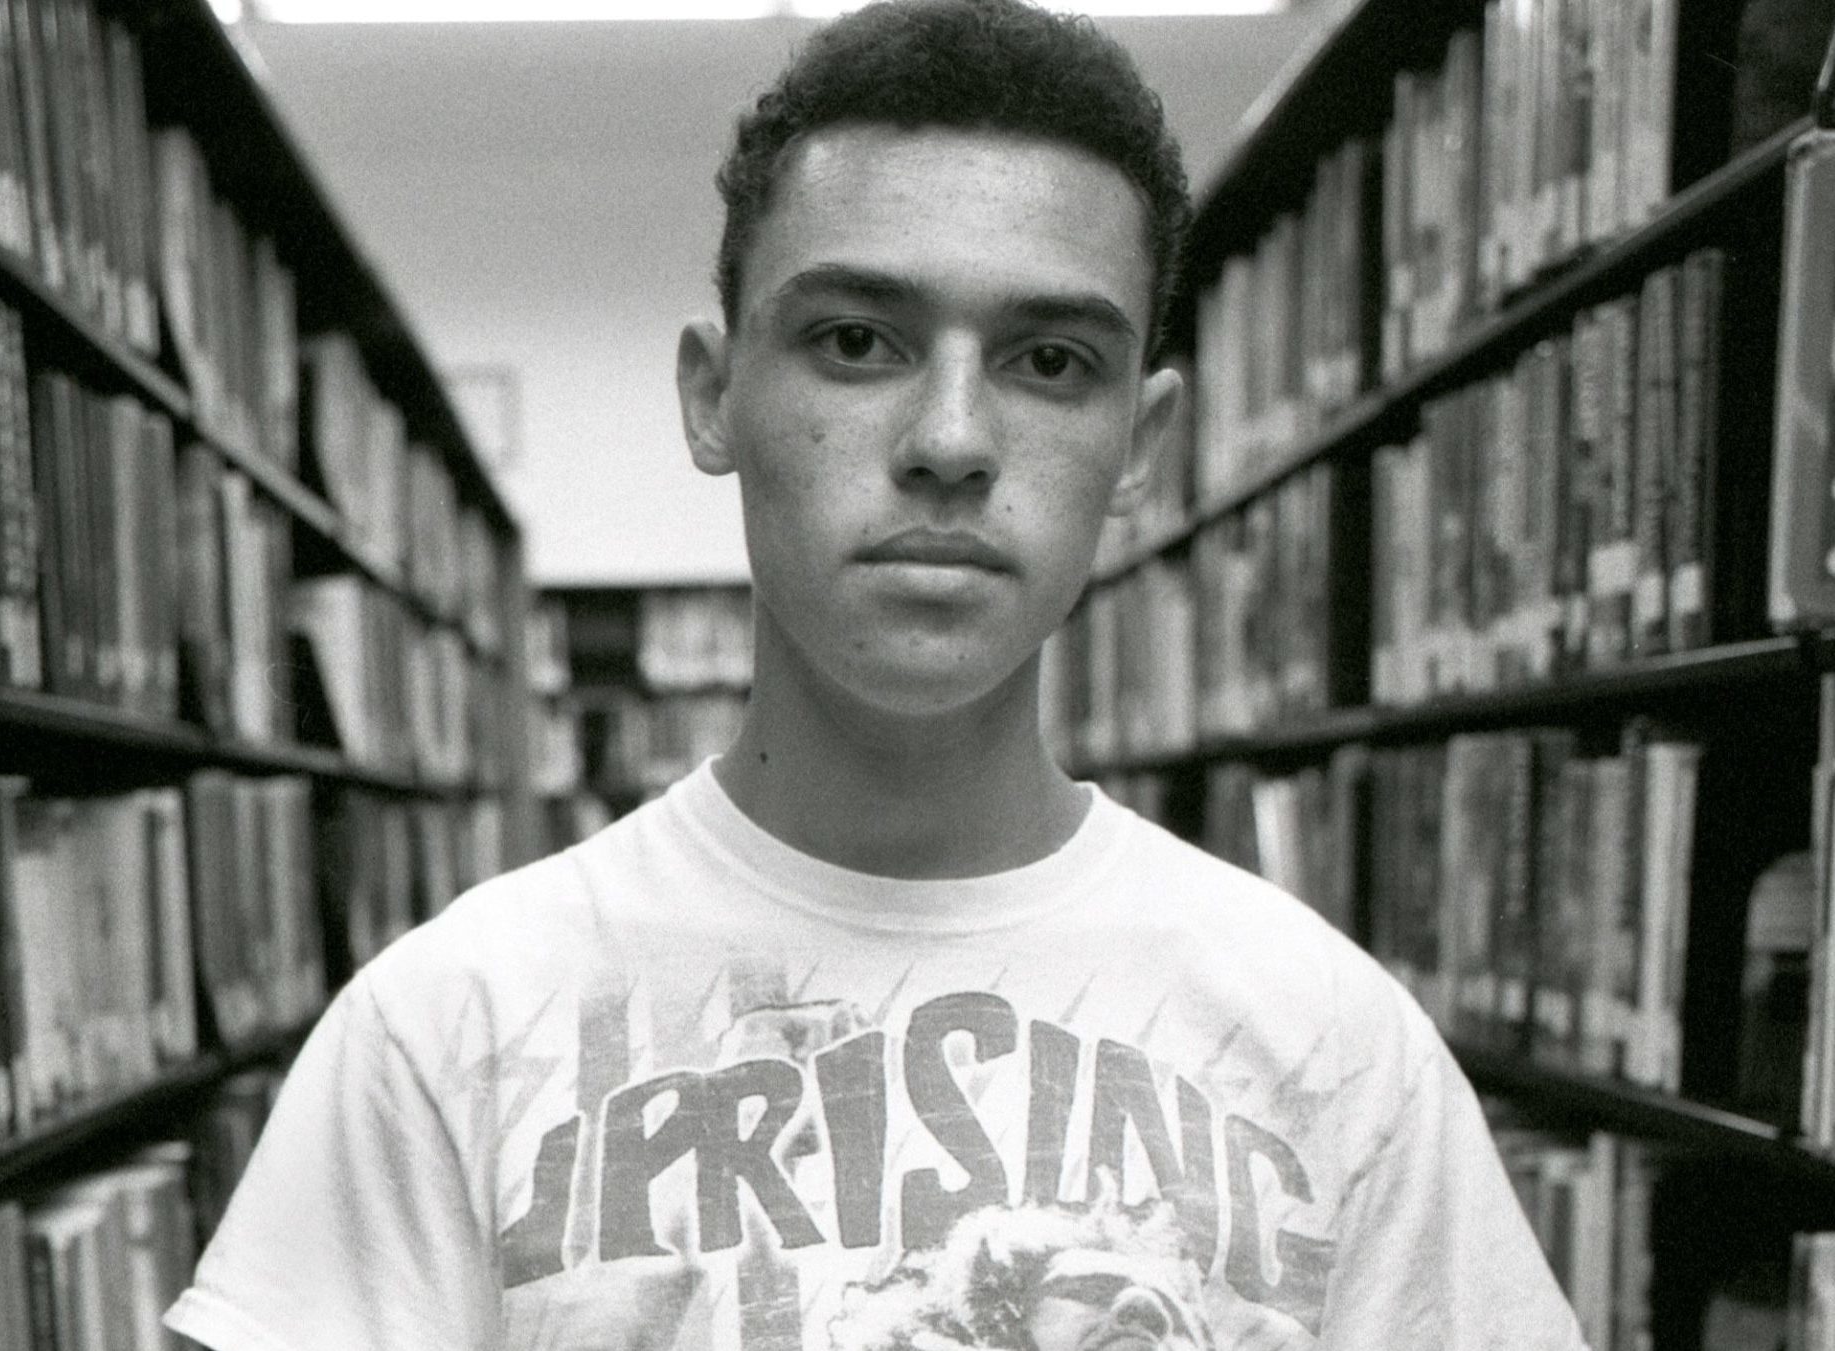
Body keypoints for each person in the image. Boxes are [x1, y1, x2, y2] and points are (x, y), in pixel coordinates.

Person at [165, 2, 1588, 1347]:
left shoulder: (1334, 1051)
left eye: (1047, 358)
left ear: (1141, 447)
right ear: (713, 397)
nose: (950, 439)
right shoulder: (450, 1026)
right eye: (856, 341)